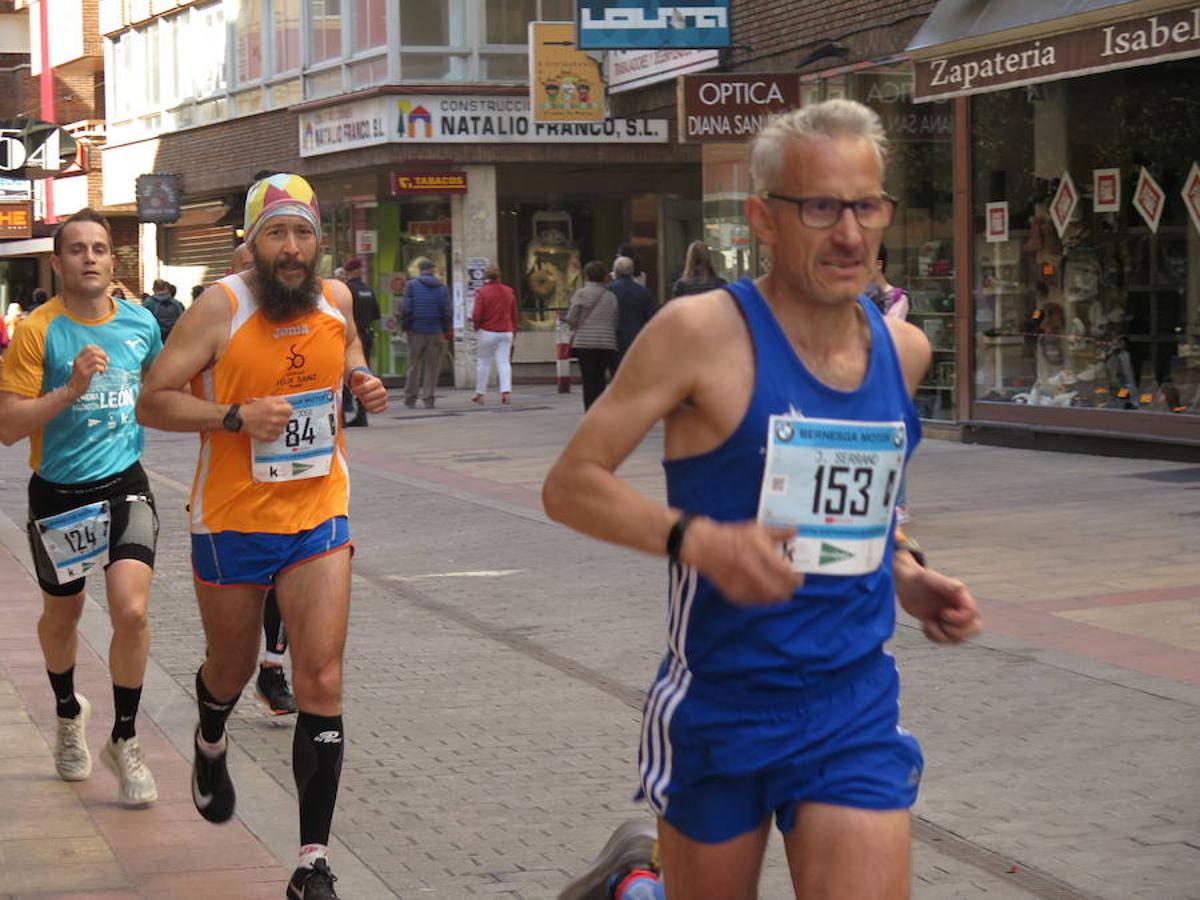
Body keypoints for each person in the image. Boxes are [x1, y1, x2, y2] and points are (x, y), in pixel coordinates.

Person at [542, 100, 982, 899]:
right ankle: (636, 885)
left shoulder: (903, 350)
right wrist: (702, 542)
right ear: (764, 218)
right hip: (720, 703)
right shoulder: (699, 333)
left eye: (866, 206)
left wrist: (908, 571)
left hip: (851, 703)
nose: (849, 233)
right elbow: (571, 485)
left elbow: (868, 509)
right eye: (820, 207)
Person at [136, 173, 387, 900]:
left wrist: (364, 377)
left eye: (302, 233)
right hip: (233, 520)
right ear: (250, 243)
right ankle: (210, 733)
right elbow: (154, 400)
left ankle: (312, 862)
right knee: (232, 665)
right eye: (275, 232)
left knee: (322, 677)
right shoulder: (221, 308)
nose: (291, 248)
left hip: (318, 515)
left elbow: (354, 347)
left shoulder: (335, 299)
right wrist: (233, 417)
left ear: (318, 242)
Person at [0, 208, 163, 808]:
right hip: (60, 496)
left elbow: (167, 387)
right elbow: (8, 427)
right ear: (58, 261)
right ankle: (69, 713)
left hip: (125, 484)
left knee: (132, 609)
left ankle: (125, 736)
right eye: (77, 249)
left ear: (111, 260)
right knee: (62, 620)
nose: (90, 257)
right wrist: (69, 390)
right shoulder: (39, 331)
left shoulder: (142, 323)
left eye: (99, 248)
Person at [228, 239, 300, 718]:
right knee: (240, 605)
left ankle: (272, 668)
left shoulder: (305, 315)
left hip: (298, 482)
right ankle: (225, 678)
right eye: (248, 263)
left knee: (287, 581)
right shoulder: (219, 318)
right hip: (234, 488)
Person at [866, 243, 911, 521]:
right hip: (855, 374)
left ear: (879, 264)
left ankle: (899, 502)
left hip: (886, 374)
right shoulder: (851, 296)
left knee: (894, 433)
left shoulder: (896, 297)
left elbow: (887, 334)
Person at [565, 260, 619, 411]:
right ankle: (600, 411)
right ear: (604, 277)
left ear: (586, 275)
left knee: (588, 379)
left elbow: (572, 318)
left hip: (585, 343)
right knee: (600, 379)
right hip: (606, 343)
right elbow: (615, 320)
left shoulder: (581, 294)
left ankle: (590, 412)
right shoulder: (611, 296)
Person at [401, 258, 450, 409]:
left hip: (416, 330)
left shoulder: (411, 286)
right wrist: (444, 328)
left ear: (420, 270)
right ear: (433, 270)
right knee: (432, 367)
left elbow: (406, 308)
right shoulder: (441, 287)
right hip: (435, 331)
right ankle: (429, 398)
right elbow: (447, 311)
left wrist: (406, 326)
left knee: (413, 365)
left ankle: (410, 398)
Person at [469, 264, 518, 404]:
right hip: (506, 331)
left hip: (488, 331)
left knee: (484, 362)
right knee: (504, 362)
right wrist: (514, 330)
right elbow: (514, 313)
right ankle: (506, 391)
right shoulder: (509, 291)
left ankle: (480, 394)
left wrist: (476, 326)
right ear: (499, 276)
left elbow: (477, 314)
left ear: (486, 277)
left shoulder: (481, 292)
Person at [342, 258, 381, 427]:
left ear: (349, 272)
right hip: (366, 334)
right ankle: (362, 414)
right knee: (363, 373)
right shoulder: (368, 290)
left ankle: (342, 415)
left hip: (350, 337)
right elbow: (376, 314)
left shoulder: (347, 290)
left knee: (346, 373)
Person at [609, 256, 656, 367]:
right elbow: (651, 317)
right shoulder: (642, 291)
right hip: (637, 338)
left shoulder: (609, 291)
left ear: (615, 271)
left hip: (614, 339)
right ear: (632, 270)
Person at [143, 278, 184, 343]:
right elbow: (182, 321)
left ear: (153, 289)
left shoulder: (148, 302)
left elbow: (143, 321)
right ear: (167, 289)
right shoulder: (176, 303)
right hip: (172, 337)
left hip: (154, 338)